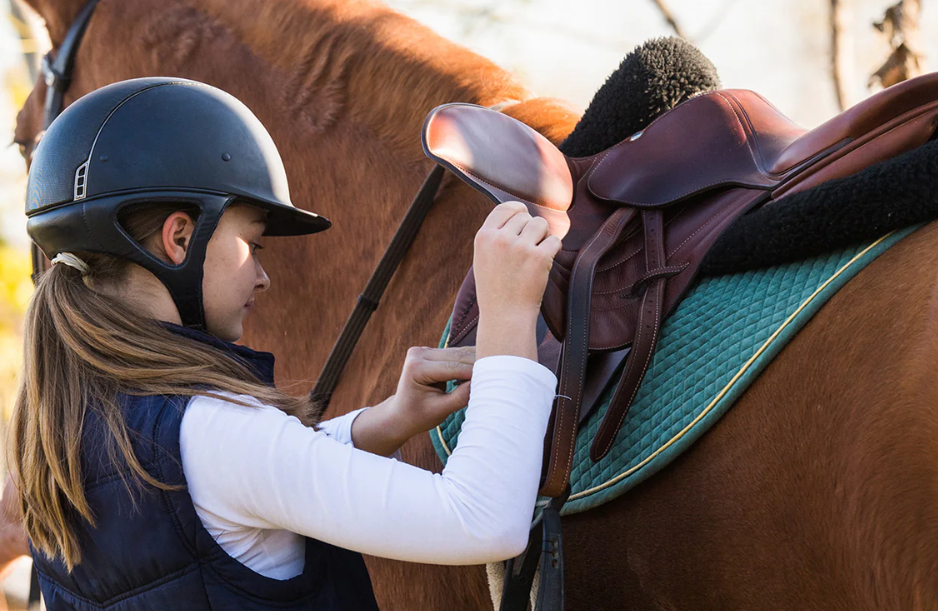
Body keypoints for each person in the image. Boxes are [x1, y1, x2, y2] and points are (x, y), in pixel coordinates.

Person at [9, 77, 560, 610]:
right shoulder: (212, 429)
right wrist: (508, 311)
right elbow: (482, 520)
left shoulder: (63, 428)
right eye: (254, 245)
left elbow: (231, 492)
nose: (262, 277)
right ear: (180, 238)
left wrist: (385, 423)